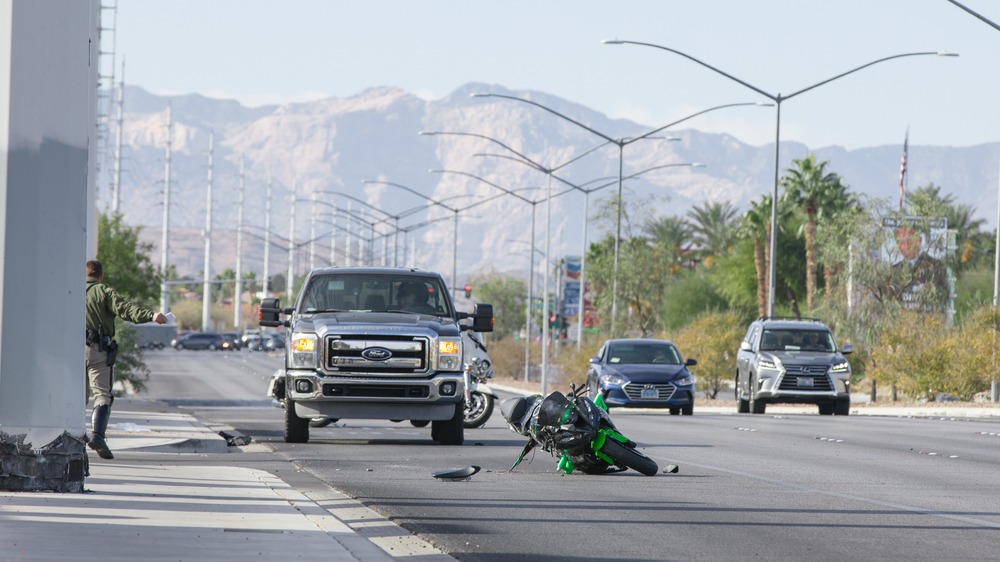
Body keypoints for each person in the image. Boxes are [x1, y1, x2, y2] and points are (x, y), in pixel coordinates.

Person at [85, 260, 166, 459]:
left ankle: (75, 433)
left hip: (70, 349)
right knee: (102, 395)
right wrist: (152, 315)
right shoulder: (103, 291)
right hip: (97, 349)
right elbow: (126, 310)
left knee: (77, 395)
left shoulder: (69, 290)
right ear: (100, 276)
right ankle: (98, 435)